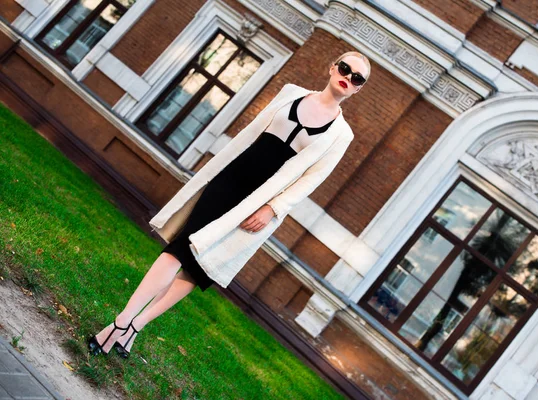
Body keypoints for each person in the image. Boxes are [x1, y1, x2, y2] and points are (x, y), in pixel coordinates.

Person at [88, 51, 371, 358]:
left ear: (358, 89)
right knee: (180, 250)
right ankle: (120, 323)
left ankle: (134, 327)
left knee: (199, 269)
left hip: (257, 204)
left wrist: (271, 209)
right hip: (230, 180)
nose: (348, 77)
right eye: (345, 68)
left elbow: (311, 180)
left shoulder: (341, 136)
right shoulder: (291, 92)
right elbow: (250, 135)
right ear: (332, 67)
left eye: (357, 78)